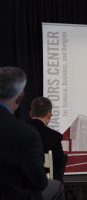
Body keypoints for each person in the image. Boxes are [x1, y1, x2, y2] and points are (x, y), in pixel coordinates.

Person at [0, 66, 64, 200]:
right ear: (19, 98)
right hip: (14, 195)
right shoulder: (26, 134)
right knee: (56, 187)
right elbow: (40, 183)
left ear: (30, 113)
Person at [28, 96, 67, 182]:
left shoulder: (18, 131)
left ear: (30, 114)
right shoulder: (54, 137)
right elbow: (60, 162)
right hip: (47, 185)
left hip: (21, 185)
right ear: (49, 115)